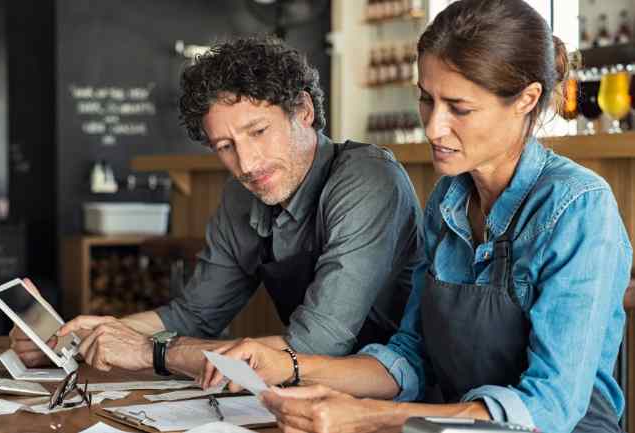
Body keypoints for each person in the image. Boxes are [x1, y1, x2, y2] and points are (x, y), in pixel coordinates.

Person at [201, 2, 633, 433]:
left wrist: (371, 417)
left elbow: (549, 409)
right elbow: (410, 357)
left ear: (526, 99)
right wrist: (288, 366)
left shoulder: (577, 206)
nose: (432, 127)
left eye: (459, 108)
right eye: (427, 99)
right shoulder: (449, 199)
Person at [10, 36, 424, 377]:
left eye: (258, 131)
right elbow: (194, 314)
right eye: (225, 146)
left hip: (398, 395)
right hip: (308, 393)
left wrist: (151, 352)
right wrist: (81, 336)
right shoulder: (241, 195)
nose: (246, 164)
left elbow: (316, 344)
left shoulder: (366, 179)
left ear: (303, 111)